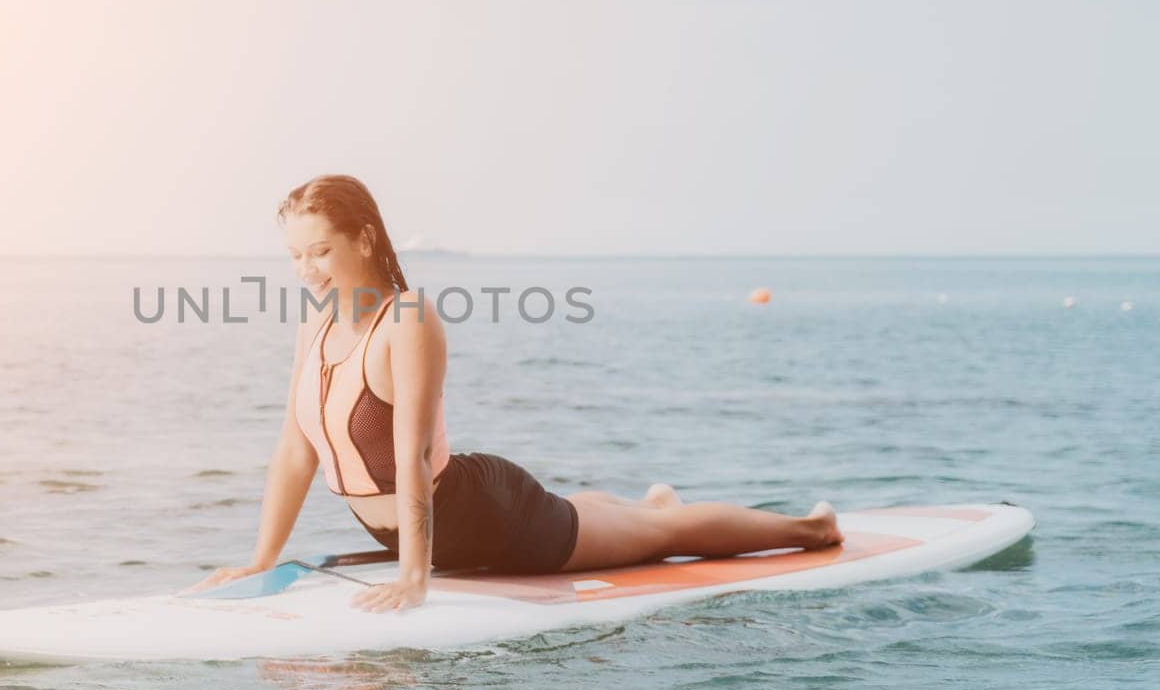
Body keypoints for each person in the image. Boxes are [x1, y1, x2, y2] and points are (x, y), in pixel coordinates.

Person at [193, 175, 843, 613]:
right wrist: (261, 561)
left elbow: (413, 456)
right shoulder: (318, 318)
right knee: (625, 516)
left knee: (658, 534)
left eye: (321, 251)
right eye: (295, 256)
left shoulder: (407, 320)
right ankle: (649, 500)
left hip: (491, 520)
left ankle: (810, 527)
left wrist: (414, 578)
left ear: (363, 238)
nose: (306, 271)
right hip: (418, 531)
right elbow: (295, 449)